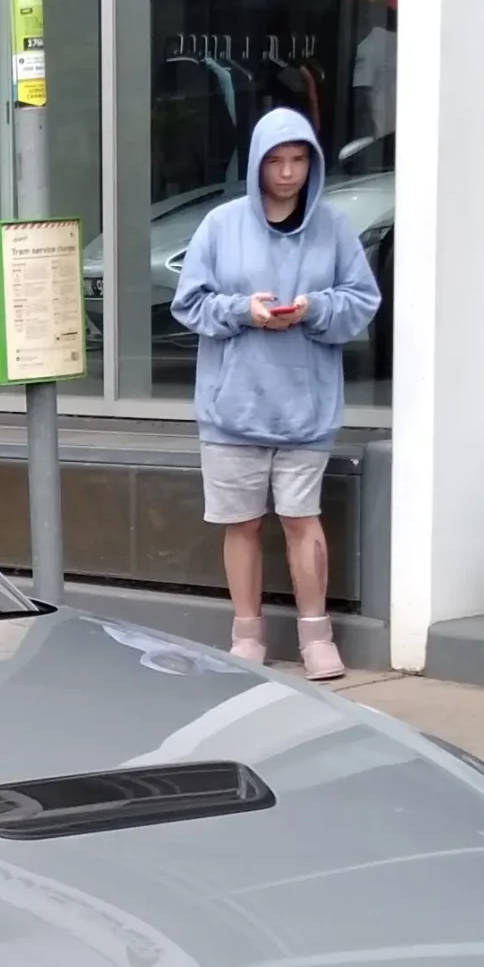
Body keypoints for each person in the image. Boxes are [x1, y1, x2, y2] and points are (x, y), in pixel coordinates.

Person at [171, 106, 382, 680]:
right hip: (232, 406)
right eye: (276, 161)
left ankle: (318, 637)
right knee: (240, 524)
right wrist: (245, 311)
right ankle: (248, 634)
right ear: (257, 165)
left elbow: (362, 301)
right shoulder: (220, 225)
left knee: (301, 519)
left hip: (306, 408)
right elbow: (188, 302)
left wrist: (315, 309)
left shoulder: (334, 227)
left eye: (298, 160)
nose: (287, 173)